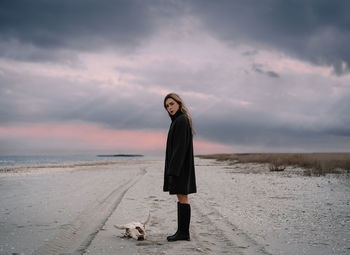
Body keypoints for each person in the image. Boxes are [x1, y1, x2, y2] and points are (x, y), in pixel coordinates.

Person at [163, 93, 197, 242]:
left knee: (183, 197)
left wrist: (173, 170)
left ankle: (183, 233)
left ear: (179, 103)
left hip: (180, 167)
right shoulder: (177, 120)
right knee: (182, 197)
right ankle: (182, 232)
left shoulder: (181, 120)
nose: (169, 108)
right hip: (180, 166)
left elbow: (180, 148)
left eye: (171, 104)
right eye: (167, 106)